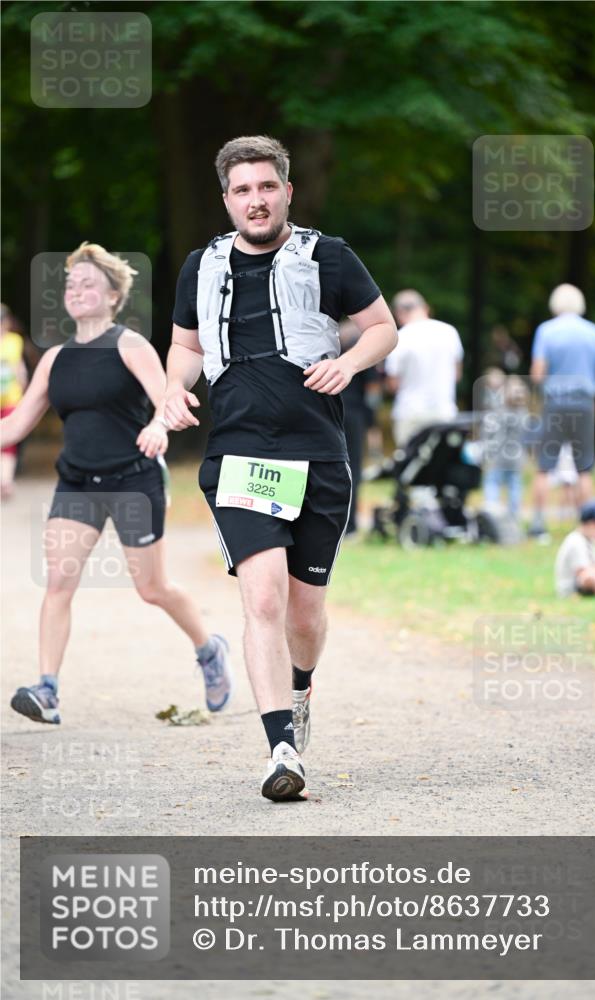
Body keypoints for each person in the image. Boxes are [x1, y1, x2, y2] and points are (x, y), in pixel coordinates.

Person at [159, 135, 397, 802]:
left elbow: (382, 328)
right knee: (261, 595)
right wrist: (175, 389)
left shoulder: (329, 256)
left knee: (304, 614)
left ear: (286, 191)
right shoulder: (200, 266)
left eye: (266, 187)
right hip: (240, 454)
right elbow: (184, 346)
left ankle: (300, 688)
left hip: (319, 455)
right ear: (226, 198)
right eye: (242, 190)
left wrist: (348, 363)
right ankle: (279, 749)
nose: (255, 200)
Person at [1, 243, 232, 725]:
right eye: (71, 284)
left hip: (133, 480)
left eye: (89, 284)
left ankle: (209, 649)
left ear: (112, 296)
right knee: (59, 582)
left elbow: (166, 400)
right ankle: (48, 690)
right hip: (77, 483)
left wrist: (157, 427)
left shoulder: (129, 345)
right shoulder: (55, 358)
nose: (77, 291)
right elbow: (15, 426)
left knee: (152, 588)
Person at [529, 283, 595, 537]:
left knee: (544, 466)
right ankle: (588, 527)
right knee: (584, 468)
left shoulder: (546, 331)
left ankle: (539, 525)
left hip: (555, 404)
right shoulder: (594, 332)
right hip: (584, 404)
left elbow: (538, 374)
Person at [385, 290, 463, 447]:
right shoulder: (449, 332)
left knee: (410, 467)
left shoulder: (399, 338)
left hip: (410, 413)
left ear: (399, 312)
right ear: (425, 307)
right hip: (444, 411)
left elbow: (393, 384)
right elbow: (457, 375)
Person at [339, 319, 381, 536]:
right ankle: (350, 524)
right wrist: (373, 424)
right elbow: (373, 390)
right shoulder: (363, 348)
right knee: (352, 468)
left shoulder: (332, 343)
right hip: (354, 414)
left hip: (329, 411)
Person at [481, 374, 530, 521]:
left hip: (498, 456)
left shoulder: (499, 411)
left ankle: (491, 514)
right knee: (515, 486)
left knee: (492, 482)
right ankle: (513, 516)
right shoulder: (524, 413)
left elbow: (490, 432)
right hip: (516, 457)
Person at [0, 303, 29, 498]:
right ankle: (6, 481)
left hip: (11, 399)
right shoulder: (14, 341)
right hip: (12, 397)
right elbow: (21, 370)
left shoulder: (14, 341)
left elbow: (19, 369)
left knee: (8, 443)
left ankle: (5, 481)